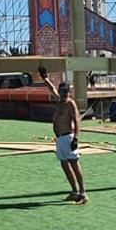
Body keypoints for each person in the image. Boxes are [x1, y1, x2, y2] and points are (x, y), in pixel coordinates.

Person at [39, 66, 87, 204]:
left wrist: (76, 139)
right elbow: (51, 88)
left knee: (74, 163)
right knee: (64, 165)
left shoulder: (70, 104)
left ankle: (83, 192)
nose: (65, 95)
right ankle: (74, 191)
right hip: (60, 138)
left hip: (69, 137)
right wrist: (45, 77)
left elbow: (77, 121)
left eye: (66, 92)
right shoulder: (59, 101)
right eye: (63, 92)